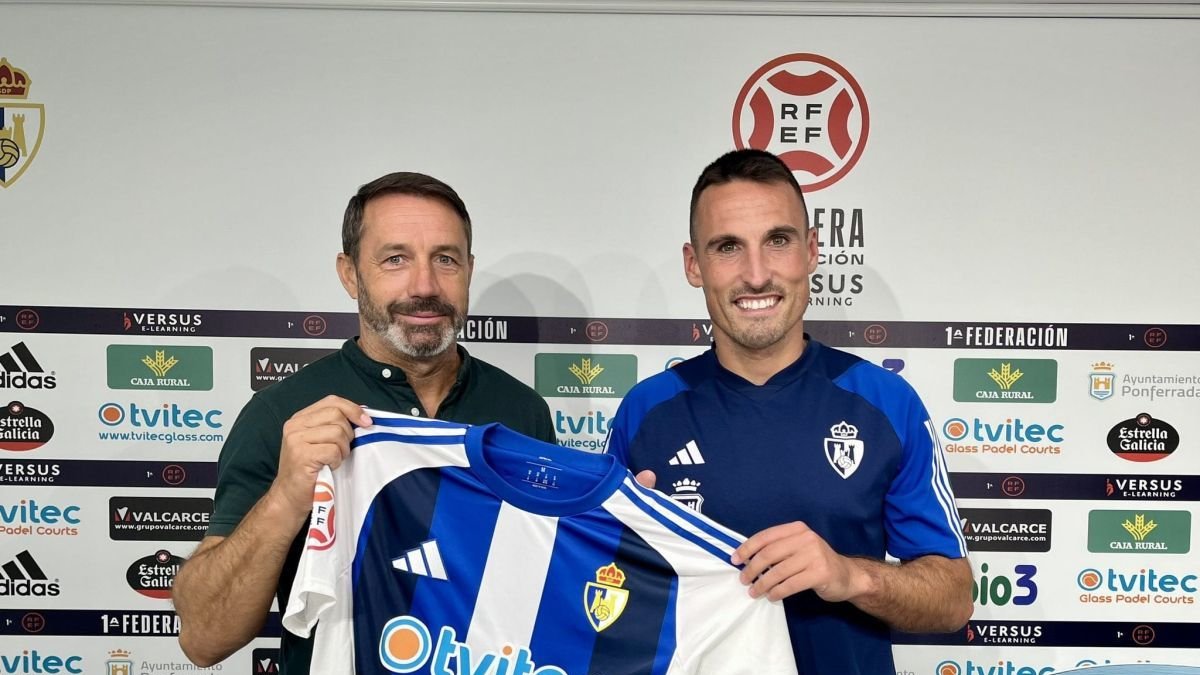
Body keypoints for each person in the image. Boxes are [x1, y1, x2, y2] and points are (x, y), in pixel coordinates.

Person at [605, 149, 972, 674]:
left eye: (777, 241)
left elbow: (954, 600)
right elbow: (599, 592)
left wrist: (849, 576)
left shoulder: (887, 404)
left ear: (812, 251)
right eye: (727, 247)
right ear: (694, 265)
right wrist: (630, 554)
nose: (757, 275)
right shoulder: (646, 411)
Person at [173, 172, 555, 674]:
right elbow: (203, 638)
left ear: (469, 270)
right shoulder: (281, 415)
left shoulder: (522, 411)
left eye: (445, 259)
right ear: (350, 273)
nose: (424, 286)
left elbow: (546, 586)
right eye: (395, 259)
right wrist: (286, 496)